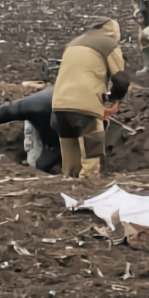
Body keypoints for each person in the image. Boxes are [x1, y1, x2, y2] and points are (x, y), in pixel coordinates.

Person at [51, 17, 131, 179]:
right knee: (91, 154)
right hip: (85, 105)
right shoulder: (108, 44)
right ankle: (88, 192)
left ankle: (70, 191)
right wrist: (114, 100)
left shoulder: (73, 43)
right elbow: (121, 79)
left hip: (59, 105)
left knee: (70, 158)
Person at [0, 87, 61, 174]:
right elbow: (6, 111)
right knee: (41, 163)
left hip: (62, 123)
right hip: (41, 118)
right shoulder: (33, 106)